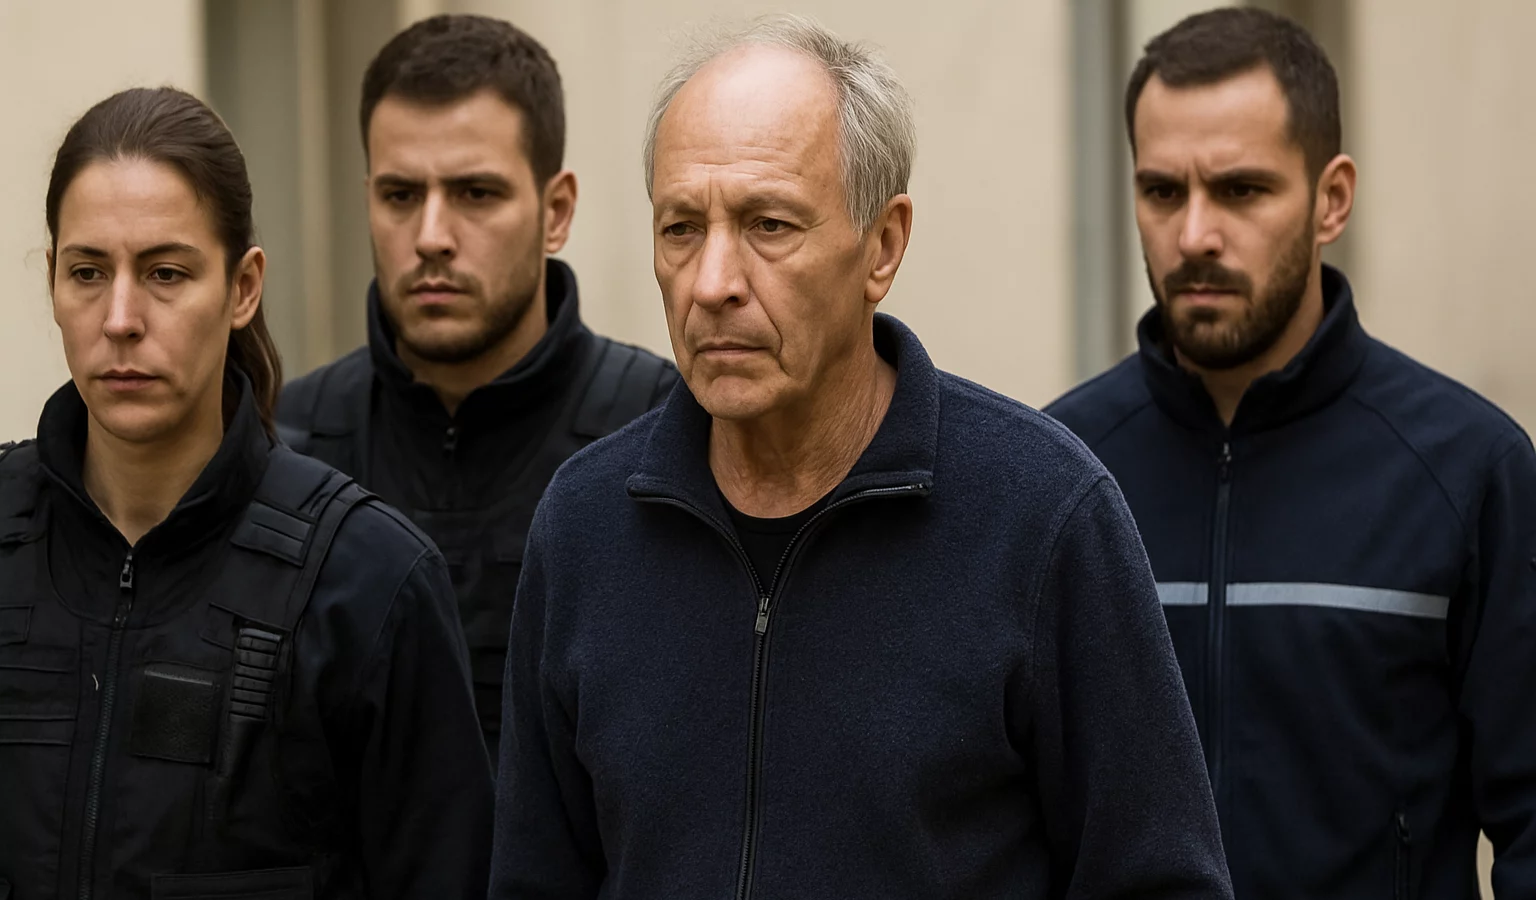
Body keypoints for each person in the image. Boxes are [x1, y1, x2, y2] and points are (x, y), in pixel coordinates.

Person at [489, 15, 1232, 900]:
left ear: (882, 246)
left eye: (769, 224)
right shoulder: (585, 524)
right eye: (680, 228)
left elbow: (1159, 879)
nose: (713, 282)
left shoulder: (1041, 516)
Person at [1045, 8, 1536, 898]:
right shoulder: (1060, 473)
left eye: (1240, 190)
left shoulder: (1470, 471)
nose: (1194, 235)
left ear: (1331, 199)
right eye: (1162, 192)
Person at [0, 87, 491, 899]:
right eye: (87, 272)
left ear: (243, 288)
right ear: (51, 280)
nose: (120, 317)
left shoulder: (367, 582)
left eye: (165, 273)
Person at [277, 14, 677, 751]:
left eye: (475, 193)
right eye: (400, 195)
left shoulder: (665, 434)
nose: (431, 236)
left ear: (556, 211)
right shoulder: (286, 446)